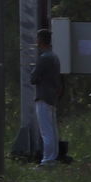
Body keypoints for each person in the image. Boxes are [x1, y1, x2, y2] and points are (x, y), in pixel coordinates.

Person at [32, 29, 63, 165]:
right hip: (52, 96)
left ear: (41, 40)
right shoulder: (54, 57)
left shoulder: (44, 58)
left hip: (43, 96)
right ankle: (52, 156)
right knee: (52, 129)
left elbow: (33, 78)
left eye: (37, 39)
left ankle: (47, 159)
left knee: (46, 130)